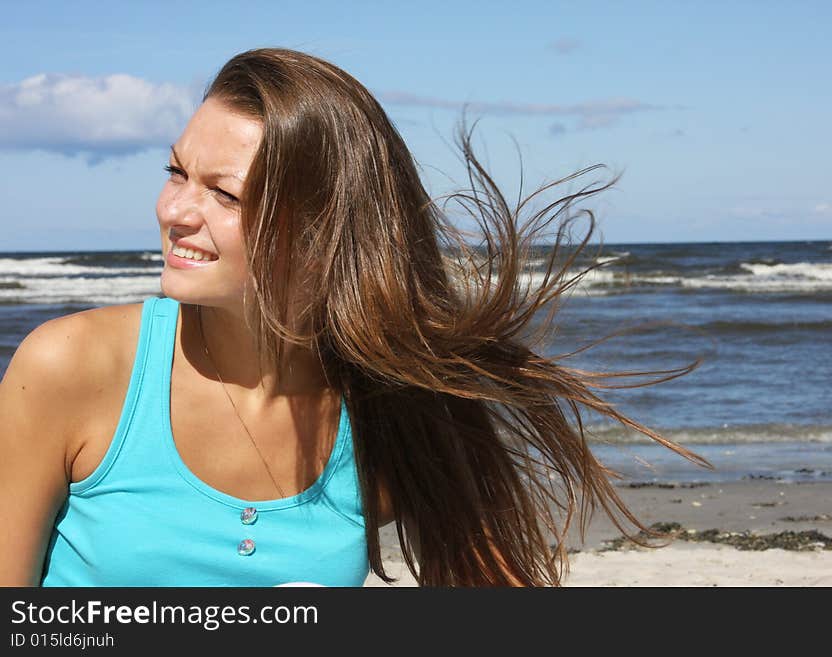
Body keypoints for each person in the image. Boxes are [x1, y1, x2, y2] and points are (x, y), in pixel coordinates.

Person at [0, 48, 710, 587]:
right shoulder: (73, 369)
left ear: (321, 232)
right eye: (176, 173)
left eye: (224, 193)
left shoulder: (385, 408)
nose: (176, 211)